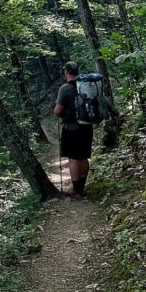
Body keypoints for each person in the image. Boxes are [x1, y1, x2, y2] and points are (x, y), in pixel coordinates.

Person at [54, 61, 92, 199]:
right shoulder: (87, 85)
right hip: (87, 126)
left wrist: (59, 112)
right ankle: (82, 187)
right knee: (83, 157)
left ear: (67, 72)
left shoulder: (65, 88)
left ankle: (76, 191)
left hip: (71, 128)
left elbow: (58, 110)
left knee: (74, 159)